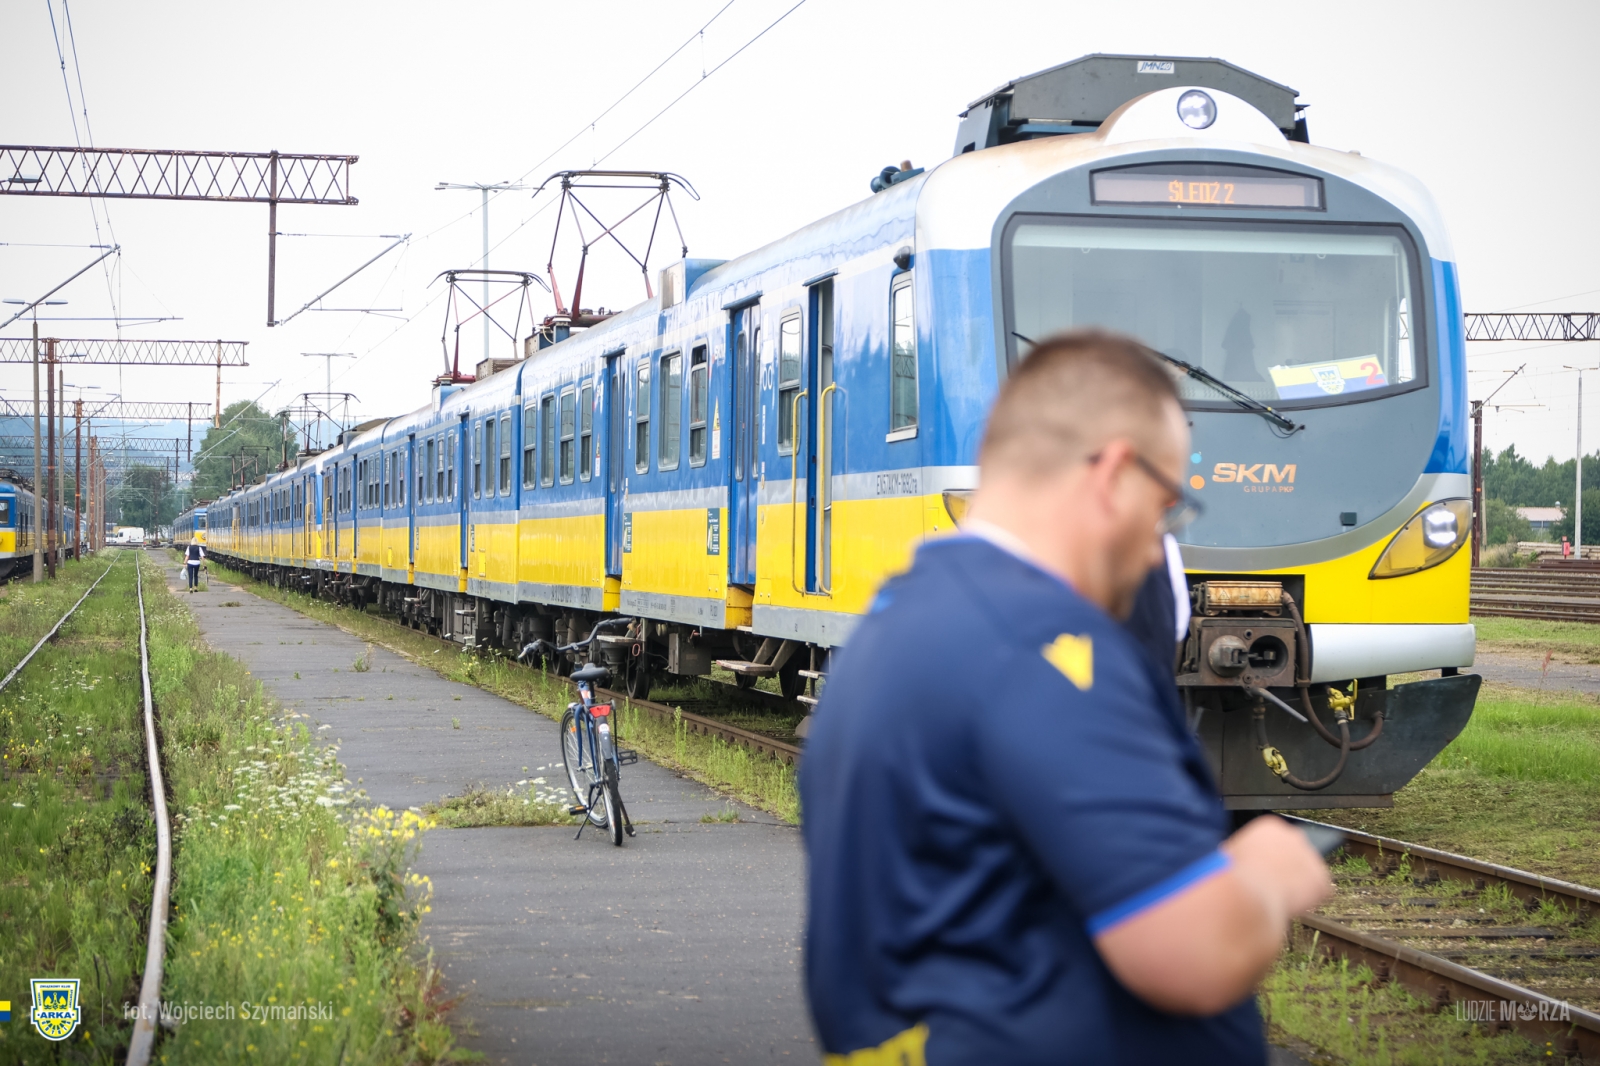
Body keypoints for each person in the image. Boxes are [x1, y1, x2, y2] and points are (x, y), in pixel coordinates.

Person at [800, 330, 1331, 1066]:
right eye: (1165, 508)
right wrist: (1266, 877)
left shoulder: (896, 625)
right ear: (1113, 474)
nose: (1158, 546)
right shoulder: (1045, 652)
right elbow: (1192, 953)